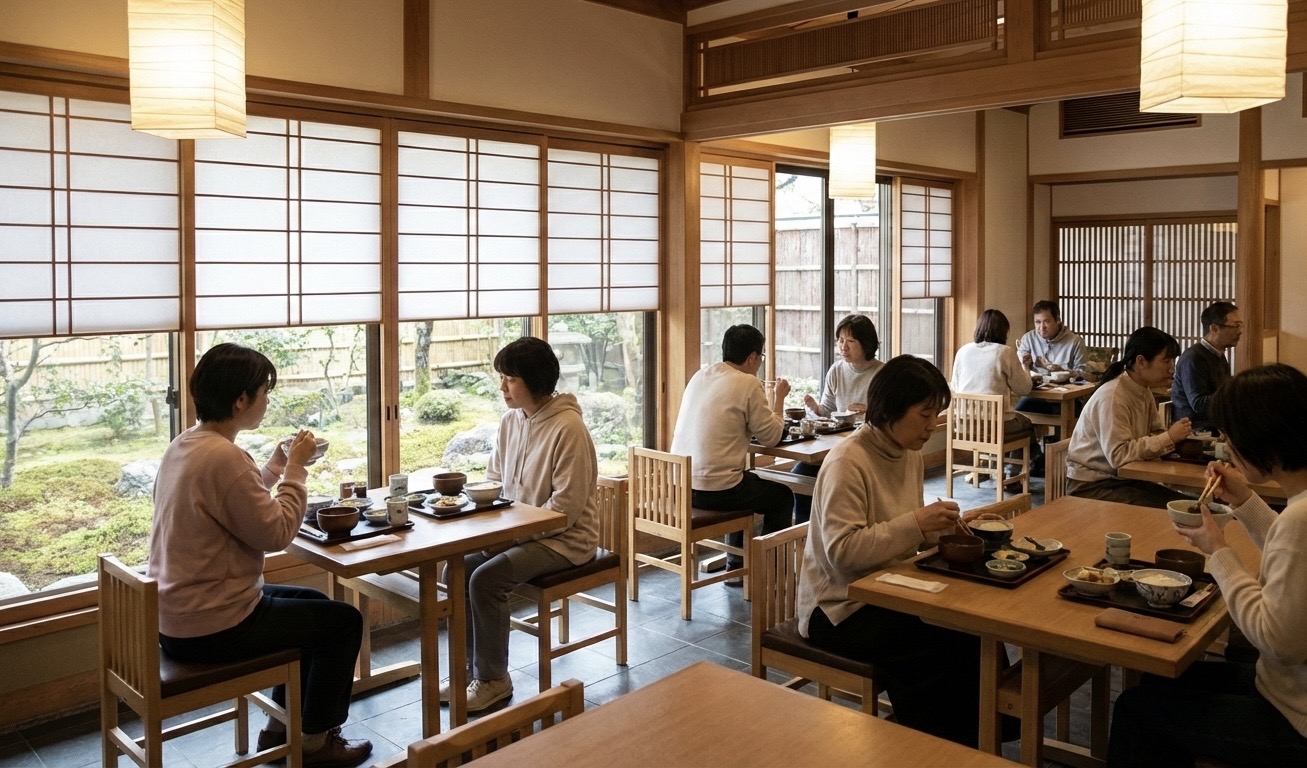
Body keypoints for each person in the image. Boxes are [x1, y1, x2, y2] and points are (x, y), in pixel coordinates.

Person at [149, 343, 372, 767]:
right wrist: (296, 470)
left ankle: (279, 731)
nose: (267, 401)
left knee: (316, 606)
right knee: (344, 623)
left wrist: (271, 468)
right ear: (241, 400)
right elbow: (277, 532)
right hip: (215, 625)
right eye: (263, 392)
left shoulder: (187, 444)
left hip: (179, 614)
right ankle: (316, 744)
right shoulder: (225, 458)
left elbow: (237, 503)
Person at [797, 355, 1013, 747]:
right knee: (940, 647)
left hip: (888, 588)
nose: (933, 427)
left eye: (936, 415)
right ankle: (933, 747)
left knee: (973, 629)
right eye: (925, 415)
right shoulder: (848, 461)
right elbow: (842, 553)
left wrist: (940, 530)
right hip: (838, 608)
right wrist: (917, 523)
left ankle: (979, 738)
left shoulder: (907, 453)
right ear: (889, 410)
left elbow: (904, 529)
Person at [1106, 364, 1307, 767]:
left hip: (1293, 720)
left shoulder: (1301, 519)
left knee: (1136, 710)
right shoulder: (1298, 512)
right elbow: (1293, 555)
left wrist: (1218, 552)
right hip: (1287, 692)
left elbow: (1278, 642)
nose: (1227, 449)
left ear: (1261, 439)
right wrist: (1244, 500)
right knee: (1165, 678)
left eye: (1231, 439)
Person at [442, 336, 600, 712]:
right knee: (456, 570)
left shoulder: (568, 428)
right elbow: (494, 482)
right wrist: (493, 530)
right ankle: (466, 670)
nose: (502, 387)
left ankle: (494, 679)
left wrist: (511, 537)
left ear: (535, 380)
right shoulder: (511, 422)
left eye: (509, 379)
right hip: (519, 534)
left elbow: (566, 508)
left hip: (565, 540)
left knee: (486, 578)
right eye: (502, 378)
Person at [670, 324, 794, 584]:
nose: (760, 363)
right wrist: (779, 398)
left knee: (743, 478)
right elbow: (771, 436)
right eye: (760, 357)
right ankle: (767, 570)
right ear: (751, 358)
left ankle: (735, 564)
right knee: (782, 497)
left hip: (682, 486)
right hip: (716, 492)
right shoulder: (748, 383)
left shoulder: (701, 375)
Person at [1065, 327, 1192, 508]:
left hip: (1123, 479)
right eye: (1167, 361)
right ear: (1141, 361)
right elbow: (1119, 455)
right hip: (1092, 485)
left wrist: (1173, 440)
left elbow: (1155, 431)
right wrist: (1169, 437)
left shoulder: (1142, 388)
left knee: (1188, 505)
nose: (1172, 368)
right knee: (1175, 510)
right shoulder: (1113, 396)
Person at [791, 314, 884, 523]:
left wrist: (869, 411)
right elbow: (829, 411)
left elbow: (891, 419)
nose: (843, 347)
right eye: (840, 340)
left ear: (866, 344)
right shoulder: (836, 370)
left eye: (850, 341)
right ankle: (805, 535)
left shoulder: (882, 373)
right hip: (835, 445)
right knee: (799, 475)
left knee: (832, 479)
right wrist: (816, 408)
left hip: (867, 447)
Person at [950, 309, 1033, 485]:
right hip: (995, 428)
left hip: (964, 427)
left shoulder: (963, 351)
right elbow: (1024, 388)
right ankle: (1012, 475)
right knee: (1026, 424)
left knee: (991, 421)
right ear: (1004, 331)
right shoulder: (1004, 352)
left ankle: (988, 470)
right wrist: (1026, 367)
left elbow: (955, 386)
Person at [1171, 301, 1241, 434]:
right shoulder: (1194, 358)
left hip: (1214, 424)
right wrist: (1236, 391)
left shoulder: (1218, 355)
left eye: (1240, 325)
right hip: (1197, 429)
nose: (1240, 331)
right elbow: (1199, 404)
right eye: (1235, 326)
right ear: (1214, 328)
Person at [1016, 299, 1088, 375]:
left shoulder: (1076, 342)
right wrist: (1025, 363)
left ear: (1058, 320)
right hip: (1035, 385)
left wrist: (1062, 371)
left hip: (1066, 386)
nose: (1042, 327)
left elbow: (1084, 375)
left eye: (1047, 321)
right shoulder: (1028, 339)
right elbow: (1019, 370)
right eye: (1038, 322)